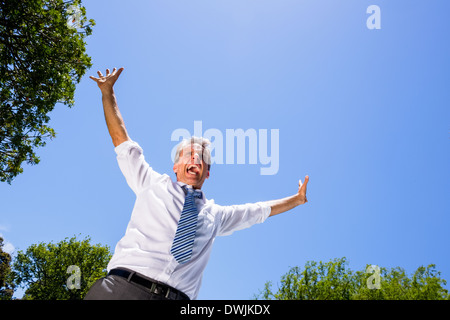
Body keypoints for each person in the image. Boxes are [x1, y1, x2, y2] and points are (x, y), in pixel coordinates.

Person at [84, 67, 309, 300]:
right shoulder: (151, 183)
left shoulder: (217, 215)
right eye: (189, 154)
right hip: (123, 288)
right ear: (175, 166)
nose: (195, 159)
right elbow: (122, 140)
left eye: (201, 157)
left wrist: (297, 199)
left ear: (207, 173)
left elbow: (259, 211)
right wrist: (107, 92)